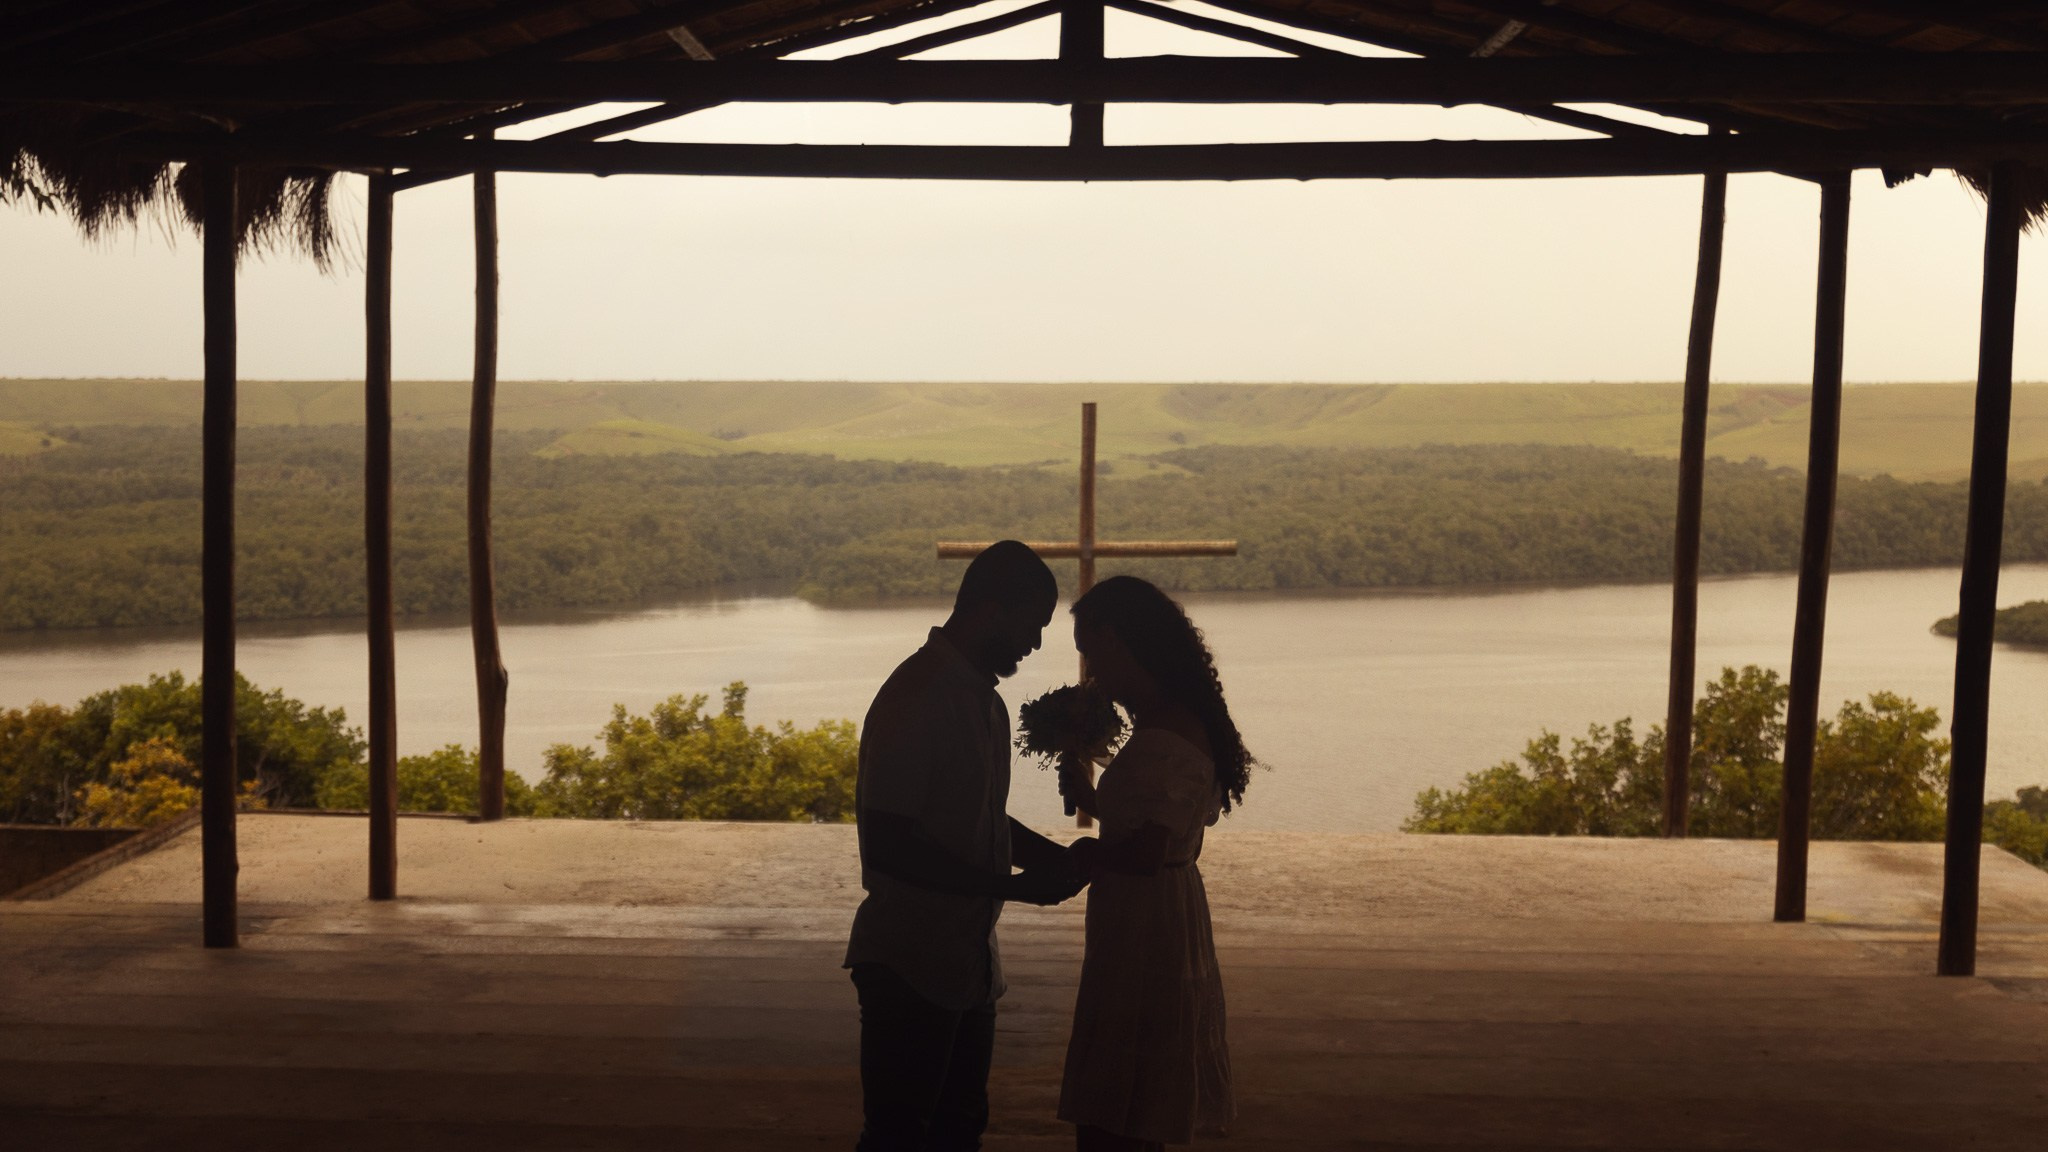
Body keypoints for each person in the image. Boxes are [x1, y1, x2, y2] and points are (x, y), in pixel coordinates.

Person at [845, 539, 1098, 1151]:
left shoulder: (981, 700)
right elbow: (889, 844)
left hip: (966, 963)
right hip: (909, 963)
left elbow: (978, 821)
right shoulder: (920, 698)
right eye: (1031, 626)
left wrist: (1052, 860)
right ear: (989, 609)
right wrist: (1009, 886)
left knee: (958, 1129)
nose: (1035, 645)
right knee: (901, 1137)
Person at [1057, 576, 1252, 1151]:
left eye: (1090, 652)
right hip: (1164, 906)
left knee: (1121, 1102)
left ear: (1117, 641)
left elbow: (1146, 853)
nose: (1090, 672)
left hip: (1146, 920)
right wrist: (1090, 794)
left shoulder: (1164, 732)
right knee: (1139, 1093)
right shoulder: (1176, 716)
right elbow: (1152, 825)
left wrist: (1089, 853)